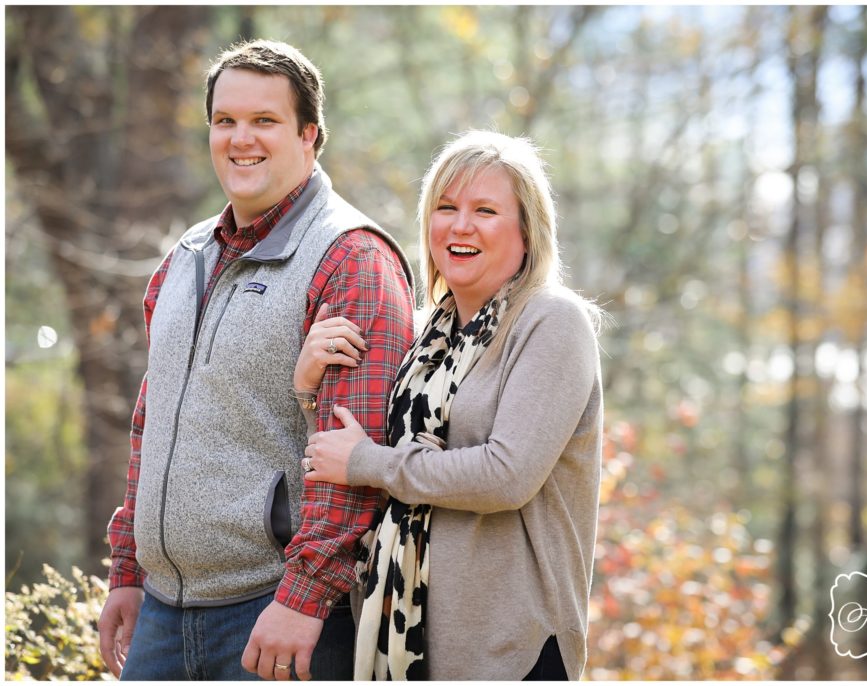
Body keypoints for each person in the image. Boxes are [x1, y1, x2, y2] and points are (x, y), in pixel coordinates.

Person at [96, 39, 415, 681]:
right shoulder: (185, 257)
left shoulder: (351, 259)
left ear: (309, 135)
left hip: (276, 617)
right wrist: (128, 569)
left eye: (264, 121)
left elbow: (354, 451)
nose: (241, 139)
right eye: (225, 121)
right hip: (160, 614)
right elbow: (149, 423)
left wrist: (303, 597)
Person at [297, 130, 604, 680]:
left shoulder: (551, 322)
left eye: (485, 210)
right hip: (401, 631)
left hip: (509, 648)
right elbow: (343, 455)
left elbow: (506, 475)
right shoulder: (424, 335)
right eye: (446, 207)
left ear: (528, 230)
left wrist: (372, 463)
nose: (460, 226)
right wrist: (307, 389)